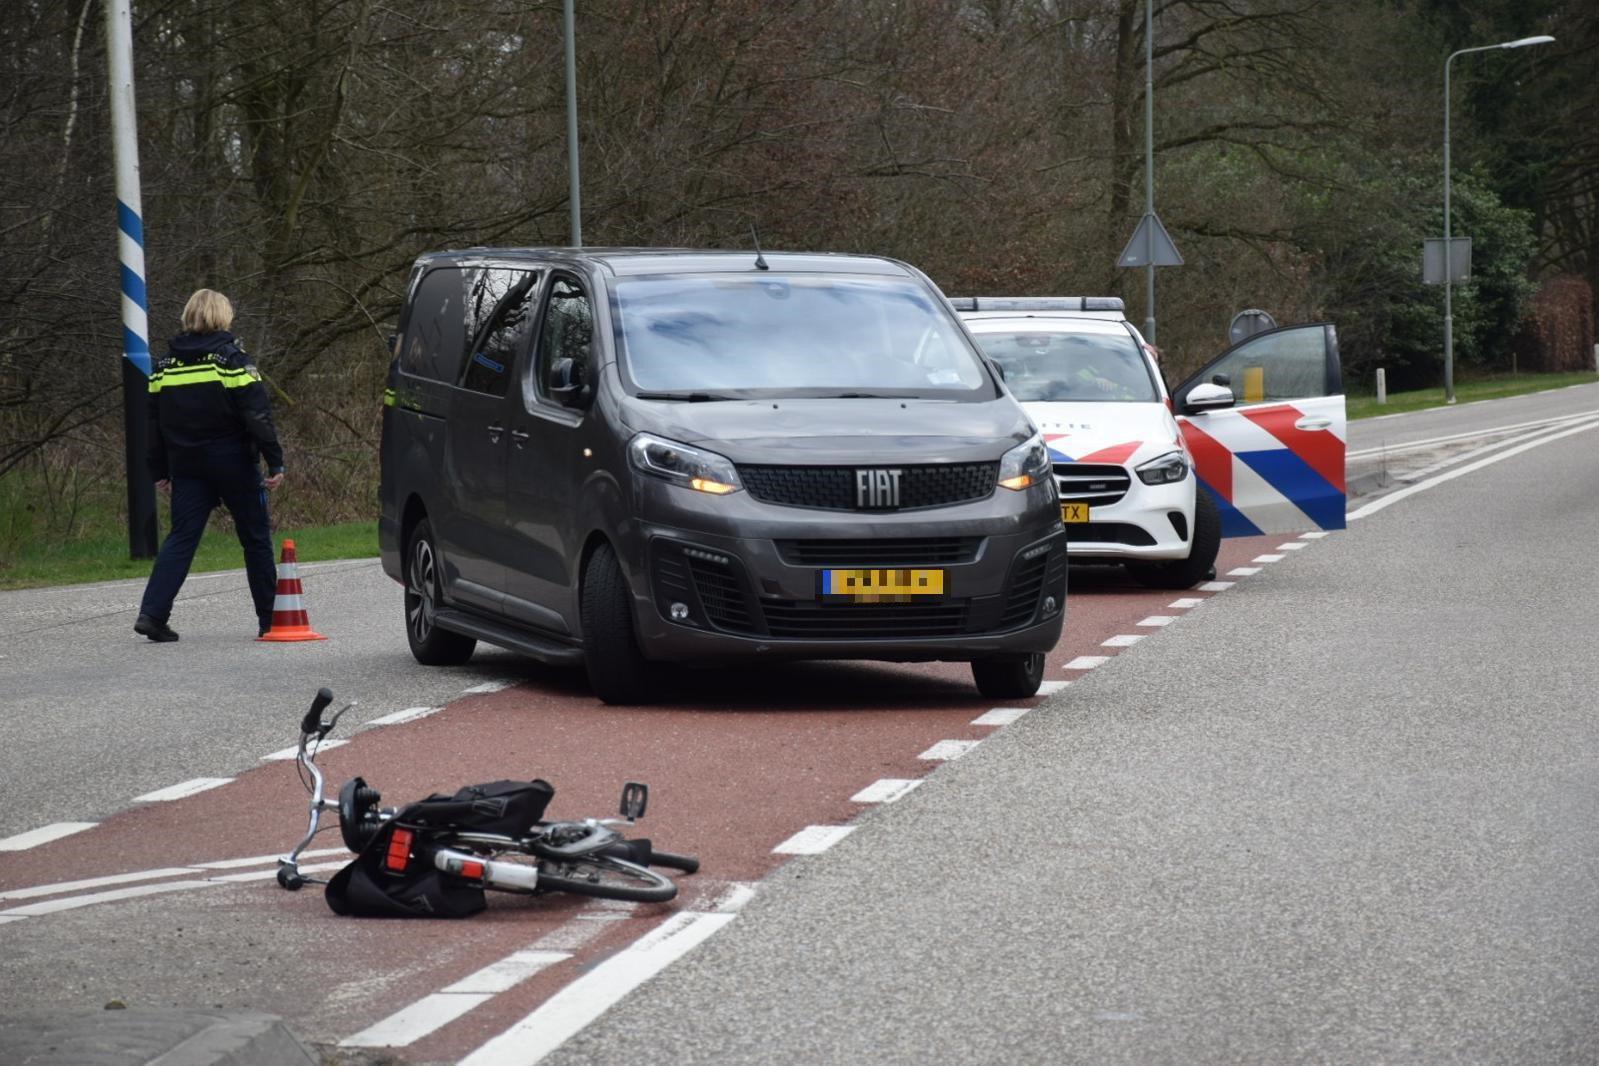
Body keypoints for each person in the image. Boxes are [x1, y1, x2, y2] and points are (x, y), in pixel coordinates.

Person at [133, 289, 285, 642]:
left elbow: (152, 424)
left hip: (186, 465)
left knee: (181, 539)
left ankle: (152, 614)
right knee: (255, 538)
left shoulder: (163, 367)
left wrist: (158, 470)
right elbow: (257, 415)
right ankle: (269, 619)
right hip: (232, 461)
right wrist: (274, 459)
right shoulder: (231, 361)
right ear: (223, 317)